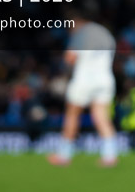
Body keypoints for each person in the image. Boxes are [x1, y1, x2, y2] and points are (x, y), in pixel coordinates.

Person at [48, 18, 119, 166]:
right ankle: (110, 155)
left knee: (72, 115)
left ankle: (64, 154)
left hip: (84, 80)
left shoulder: (80, 34)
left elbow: (70, 58)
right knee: (101, 117)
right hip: (105, 79)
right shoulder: (106, 34)